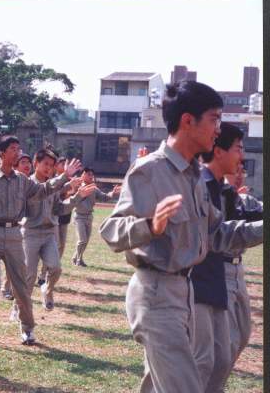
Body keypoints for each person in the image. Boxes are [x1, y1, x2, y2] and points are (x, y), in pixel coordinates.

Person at [99, 80, 263, 393]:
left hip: (187, 293)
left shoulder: (194, 177)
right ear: (188, 120)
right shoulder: (149, 171)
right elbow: (111, 231)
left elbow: (216, 234)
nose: (219, 128)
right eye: (214, 119)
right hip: (156, 294)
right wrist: (151, 225)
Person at [0, 135, 81, 346]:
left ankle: (27, 330)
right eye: (13, 149)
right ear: (2, 153)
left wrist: (64, 176)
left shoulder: (23, 181)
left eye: (19, 149)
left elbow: (44, 190)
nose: (18, 153)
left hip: (14, 236)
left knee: (22, 287)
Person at [189, 122, 247, 392]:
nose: (242, 156)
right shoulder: (197, 182)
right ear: (219, 150)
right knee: (201, 361)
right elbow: (219, 234)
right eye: (238, 148)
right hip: (195, 282)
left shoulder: (222, 190)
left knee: (222, 359)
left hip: (216, 282)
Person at [20, 149, 84, 311]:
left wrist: (77, 197)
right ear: (36, 163)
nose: (49, 168)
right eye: (45, 164)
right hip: (30, 233)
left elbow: (60, 210)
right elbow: (43, 190)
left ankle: (47, 291)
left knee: (56, 267)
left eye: (51, 165)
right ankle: (19, 306)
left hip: (49, 233)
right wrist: (64, 180)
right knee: (29, 275)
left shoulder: (54, 186)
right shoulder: (28, 184)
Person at [220, 164, 262, 389]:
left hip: (238, 270)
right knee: (227, 340)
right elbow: (233, 232)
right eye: (234, 170)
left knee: (244, 334)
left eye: (242, 171)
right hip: (220, 269)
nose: (239, 175)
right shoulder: (216, 197)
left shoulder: (245, 201)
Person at [69, 168, 120, 267]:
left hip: (89, 217)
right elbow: (71, 198)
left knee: (86, 241)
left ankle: (76, 257)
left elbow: (105, 197)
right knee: (82, 240)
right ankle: (79, 260)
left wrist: (112, 193)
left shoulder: (94, 189)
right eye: (88, 174)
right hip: (79, 217)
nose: (91, 176)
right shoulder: (78, 187)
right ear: (83, 175)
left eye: (92, 175)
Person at [1, 152, 32, 300]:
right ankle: (6, 287)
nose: (27, 165)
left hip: (29, 226)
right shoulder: (10, 181)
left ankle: (13, 288)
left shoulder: (29, 182)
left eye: (28, 162)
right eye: (23, 162)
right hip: (14, 227)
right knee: (13, 261)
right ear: (16, 165)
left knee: (20, 262)